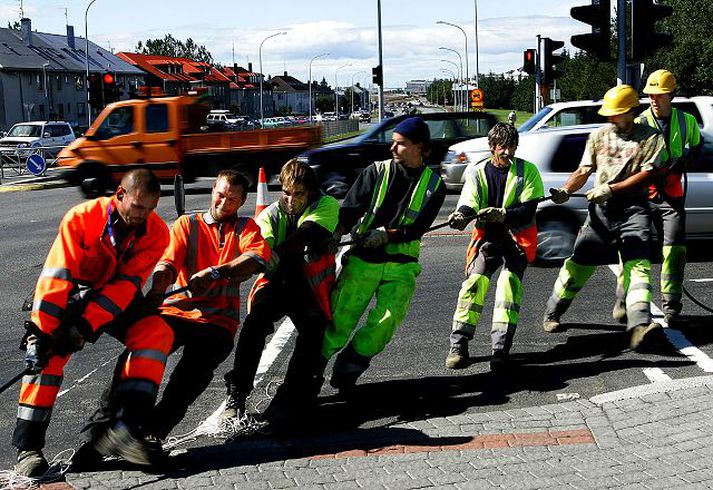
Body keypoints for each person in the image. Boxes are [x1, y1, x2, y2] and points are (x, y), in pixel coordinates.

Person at [73, 170, 270, 466]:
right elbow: (167, 262)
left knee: (191, 377)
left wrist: (217, 272)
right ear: (212, 190)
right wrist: (159, 286)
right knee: (138, 354)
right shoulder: (186, 224)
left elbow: (256, 259)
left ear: (242, 201)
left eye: (232, 198)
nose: (224, 202)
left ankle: (149, 434)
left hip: (217, 323)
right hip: (174, 311)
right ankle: (98, 435)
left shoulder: (246, 228)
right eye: (220, 193)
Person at [13, 169, 171, 477]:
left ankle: (124, 428)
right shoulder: (81, 218)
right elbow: (56, 278)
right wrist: (40, 335)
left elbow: (125, 287)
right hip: (70, 292)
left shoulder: (157, 232)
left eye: (150, 209)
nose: (143, 215)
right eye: (138, 207)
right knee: (48, 358)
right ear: (120, 195)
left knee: (155, 332)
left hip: (114, 297)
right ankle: (28, 448)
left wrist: (86, 326)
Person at [321, 116, 446, 392]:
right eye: (393, 143)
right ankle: (308, 376)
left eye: (400, 144)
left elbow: (417, 228)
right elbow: (349, 212)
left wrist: (387, 235)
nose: (392, 149)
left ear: (419, 147)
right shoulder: (376, 172)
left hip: (401, 264)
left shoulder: (434, 185)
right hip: (363, 260)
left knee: (385, 323)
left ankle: (349, 367)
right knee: (338, 322)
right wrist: (335, 234)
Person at [544, 85, 665, 351]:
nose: (611, 118)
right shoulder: (598, 135)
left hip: (635, 210)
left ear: (632, 111)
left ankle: (639, 326)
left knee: (638, 266)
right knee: (580, 264)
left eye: (617, 113)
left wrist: (611, 189)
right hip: (601, 213)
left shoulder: (651, 138)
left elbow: (647, 175)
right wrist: (566, 189)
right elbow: (584, 169)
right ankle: (554, 310)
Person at [221, 160, 339, 431]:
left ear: (310, 192)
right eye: (286, 192)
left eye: (298, 194)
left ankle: (291, 395)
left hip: (308, 286)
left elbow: (306, 235)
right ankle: (237, 393)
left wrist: (271, 254)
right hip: (277, 281)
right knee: (253, 326)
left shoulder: (326, 205)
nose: (290, 199)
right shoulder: (270, 214)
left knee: (313, 331)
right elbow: (264, 245)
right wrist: (247, 264)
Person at [445, 123, 544, 371]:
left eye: (512, 147)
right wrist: (460, 216)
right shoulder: (478, 173)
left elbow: (527, 211)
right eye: (503, 148)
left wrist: (503, 214)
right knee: (473, 285)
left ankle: (500, 350)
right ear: (492, 148)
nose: (508, 153)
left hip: (516, 242)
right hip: (488, 239)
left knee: (508, 288)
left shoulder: (527, 171)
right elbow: (468, 204)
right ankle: (459, 346)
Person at [612, 70, 703, 325]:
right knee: (632, 248)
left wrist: (682, 162)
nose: (653, 99)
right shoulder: (638, 123)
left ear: (671, 95)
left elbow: (696, 148)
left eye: (659, 95)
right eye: (650, 95)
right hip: (641, 196)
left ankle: (671, 305)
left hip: (672, 195)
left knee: (674, 249)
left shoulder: (687, 122)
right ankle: (624, 298)